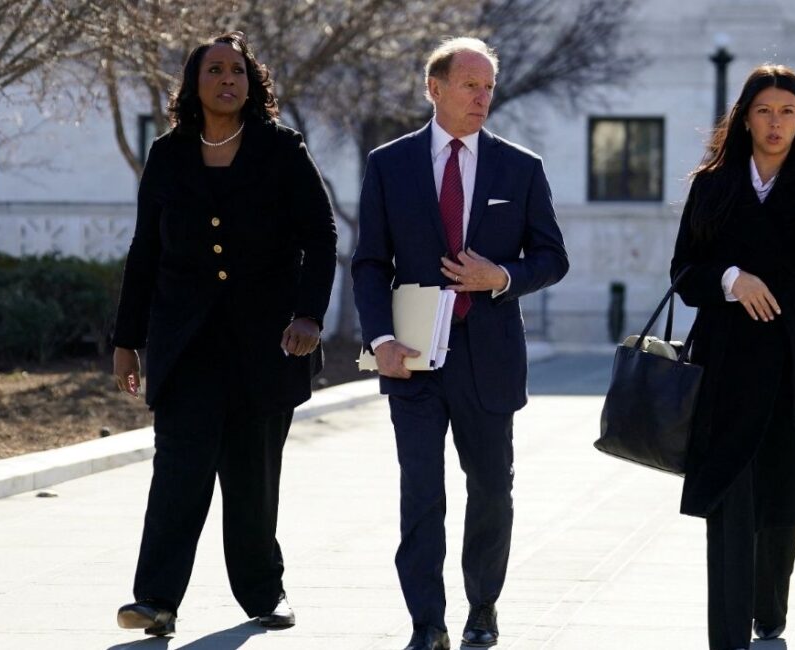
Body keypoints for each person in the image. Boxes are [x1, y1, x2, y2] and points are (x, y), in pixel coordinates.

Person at [110, 31, 337, 637]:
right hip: (186, 345)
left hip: (268, 345)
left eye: (238, 70)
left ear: (252, 83)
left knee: (252, 480)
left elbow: (322, 235)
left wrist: (309, 316)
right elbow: (145, 249)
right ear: (195, 83)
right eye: (214, 70)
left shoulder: (283, 150)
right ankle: (155, 599)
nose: (227, 80)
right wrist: (127, 339)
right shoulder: (167, 154)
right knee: (178, 475)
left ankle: (265, 593)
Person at [352, 37, 569, 650]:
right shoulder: (388, 165)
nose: (482, 97)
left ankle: (482, 607)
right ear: (435, 88)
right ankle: (427, 622)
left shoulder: (520, 167)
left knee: (491, 486)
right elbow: (369, 263)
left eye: (488, 87)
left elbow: (552, 257)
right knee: (421, 491)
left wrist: (500, 277)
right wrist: (381, 337)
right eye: (470, 85)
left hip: (489, 356)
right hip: (413, 357)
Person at [670, 64, 795, 650]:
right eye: (764, 111)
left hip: (793, 357)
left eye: (788, 112)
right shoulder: (712, 183)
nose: (776, 123)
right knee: (729, 491)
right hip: (724, 360)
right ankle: (726, 634)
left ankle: (768, 616)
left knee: (781, 492)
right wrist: (731, 279)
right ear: (745, 118)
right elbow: (684, 272)